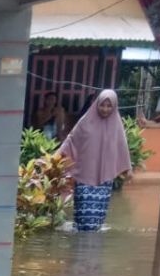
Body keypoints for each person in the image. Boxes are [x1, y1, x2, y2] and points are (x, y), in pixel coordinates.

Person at [57, 89, 132, 232]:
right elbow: (71, 140)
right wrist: (57, 157)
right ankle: (81, 249)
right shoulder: (85, 122)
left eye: (109, 106)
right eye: (102, 105)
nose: (105, 109)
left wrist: (128, 168)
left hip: (104, 179)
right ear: (96, 105)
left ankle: (92, 249)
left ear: (114, 106)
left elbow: (122, 147)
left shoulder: (116, 125)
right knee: (83, 217)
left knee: (97, 219)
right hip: (84, 176)